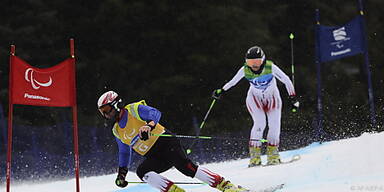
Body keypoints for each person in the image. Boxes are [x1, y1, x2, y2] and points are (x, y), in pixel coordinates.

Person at [97, 90, 250, 192]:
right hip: (154, 156)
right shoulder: (116, 130)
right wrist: (121, 174)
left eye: (107, 110)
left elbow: (155, 113)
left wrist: (149, 126)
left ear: (116, 105)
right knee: (142, 172)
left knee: (187, 168)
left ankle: (227, 186)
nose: (105, 115)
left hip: (166, 144)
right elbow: (124, 152)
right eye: (102, 112)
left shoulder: (133, 110)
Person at [212, 46, 299, 167]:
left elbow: (286, 79)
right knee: (259, 124)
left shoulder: (270, 67)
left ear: (263, 60)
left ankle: (273, 156)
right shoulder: (245, 70)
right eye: (250, 62)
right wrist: (221, 90)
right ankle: (255, 158)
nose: (254, 65)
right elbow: (233, 82)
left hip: (272, 99)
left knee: (274, 126)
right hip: (254, 99)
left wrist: (292, 96)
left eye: (257, 61)